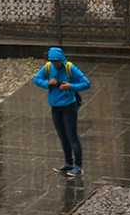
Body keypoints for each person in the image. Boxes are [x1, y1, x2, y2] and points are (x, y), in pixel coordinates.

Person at [34, 46, 90, 176]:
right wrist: (48, 83)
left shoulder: (70, 68)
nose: (54, 64)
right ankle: (68, 163)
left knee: (72, 136)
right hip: (55, 106)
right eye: (52, 61)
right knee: (62, 136)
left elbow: (86, 83)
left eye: (56, 61)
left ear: (61, 59)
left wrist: (70, 86)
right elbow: (37, 79)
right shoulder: (48, 67)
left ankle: (78, 166)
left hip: (68, 106)